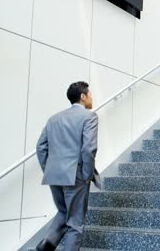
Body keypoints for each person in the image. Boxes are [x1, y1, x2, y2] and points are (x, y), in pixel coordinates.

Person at [35, 81, 100, 251]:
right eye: (90, 94)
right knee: (76, 223)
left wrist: (49, 169)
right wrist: (86, 175)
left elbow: (40, 148)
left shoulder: (53, 118)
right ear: (83, 96)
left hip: (54, 175)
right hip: (75, 175)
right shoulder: (89, 116)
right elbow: (88, 149)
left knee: (64, 212)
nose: (92, 97)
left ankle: (46, 245)